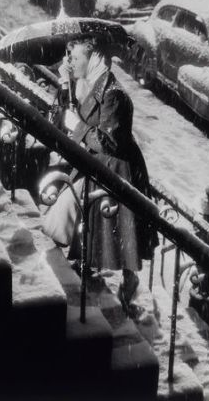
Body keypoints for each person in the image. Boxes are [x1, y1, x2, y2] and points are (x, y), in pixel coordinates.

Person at [44, 36, 157, 312]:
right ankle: (85, 268)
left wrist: (78, 126)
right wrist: (64, 85)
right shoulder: (92, 86)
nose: (71, 61)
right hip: (99, 166)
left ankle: (126, 295)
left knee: (123, 242)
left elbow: (108, 141)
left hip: (119, 170)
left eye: (76, 55)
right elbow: (64, 117)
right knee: (91, 222)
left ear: (93, 56)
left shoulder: (115, 93)